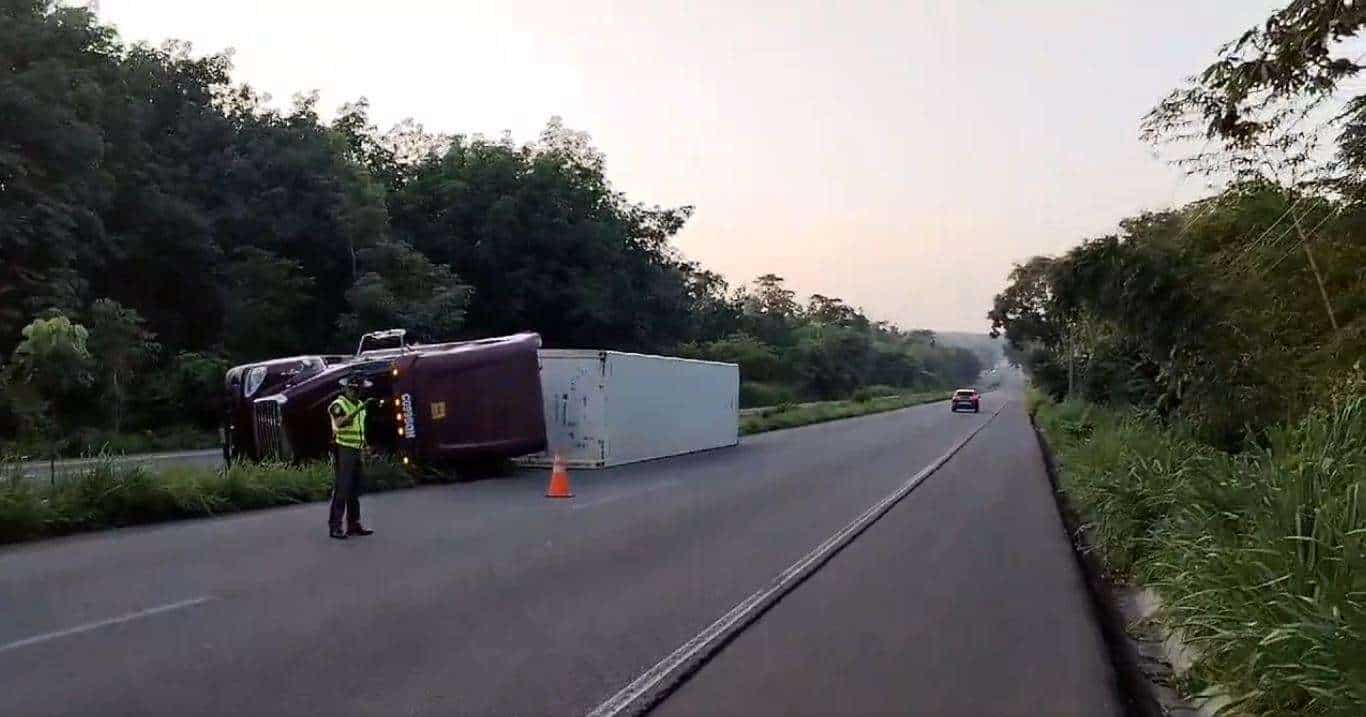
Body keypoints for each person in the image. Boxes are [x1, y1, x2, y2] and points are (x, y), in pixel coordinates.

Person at [328, 377, 378, 540]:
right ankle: (335, 526)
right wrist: (361, 407)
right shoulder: (339, 404)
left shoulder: (360, 406)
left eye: (359, 390)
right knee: (343, 487)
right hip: (344, 448)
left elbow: (360, 429)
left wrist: (365, 447)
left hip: (356, 449)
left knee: (355, 488)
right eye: (354, 389)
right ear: (347, 389)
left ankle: (353, 524)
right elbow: (341, 422)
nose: (357, 392)